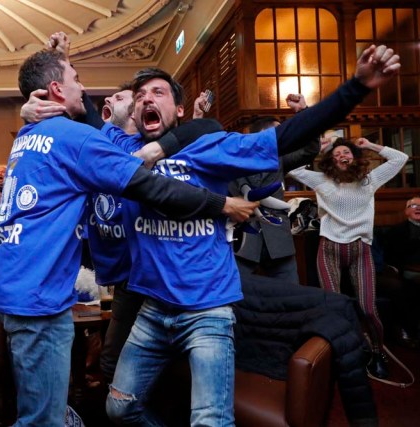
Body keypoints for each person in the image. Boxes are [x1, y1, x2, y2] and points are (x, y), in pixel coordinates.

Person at [106, 44, 401, 425]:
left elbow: (286, 137)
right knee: (119, 407)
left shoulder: (208, 147)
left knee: (210, 422)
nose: (148, 98)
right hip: (153, 309)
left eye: (158, 92)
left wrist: (357, 86)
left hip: (207, 311)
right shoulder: (126, 151)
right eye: (141, 95)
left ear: (179, 110)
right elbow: (81, 126)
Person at [0, 48, 254, 427]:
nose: (85, 87)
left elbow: (209, 130)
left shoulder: (29, 131)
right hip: (40, 297)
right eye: (76, 78)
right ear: (56, 89)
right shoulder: (79, 139)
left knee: (43, 407)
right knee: (42, 418)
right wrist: (222, 204)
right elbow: (151, 187)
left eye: (157, 93)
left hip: (15, 286)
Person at [289, 137, 408, 379]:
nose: (342, 156)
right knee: (332, 308)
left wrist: (371, 146)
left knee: (368, 308)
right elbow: (292, 168)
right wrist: (318, 148)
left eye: (346, 152)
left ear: (353, 156)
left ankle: (377, 353)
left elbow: (400, 158)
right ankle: (339, 355)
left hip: (359, 250)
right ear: (331, 161)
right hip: (329, 249)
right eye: (336, 154)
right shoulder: (322, 180)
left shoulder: (369, 180)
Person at [229, 95, 319, 284]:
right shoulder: (233, 157)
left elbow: (310, 150)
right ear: (263, 135)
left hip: (278, 241)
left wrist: (304, 113)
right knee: (239, 296)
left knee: (290, 295)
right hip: (244, 240)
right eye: (280, 131)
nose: (285, 135)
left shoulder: (280, 158)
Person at [383, 197, 420, 347]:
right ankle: (412, 330)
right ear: (406, 211)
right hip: (406, 271)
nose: (418, 208)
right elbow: (392, 256)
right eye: (414, 205)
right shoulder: (396, 231)